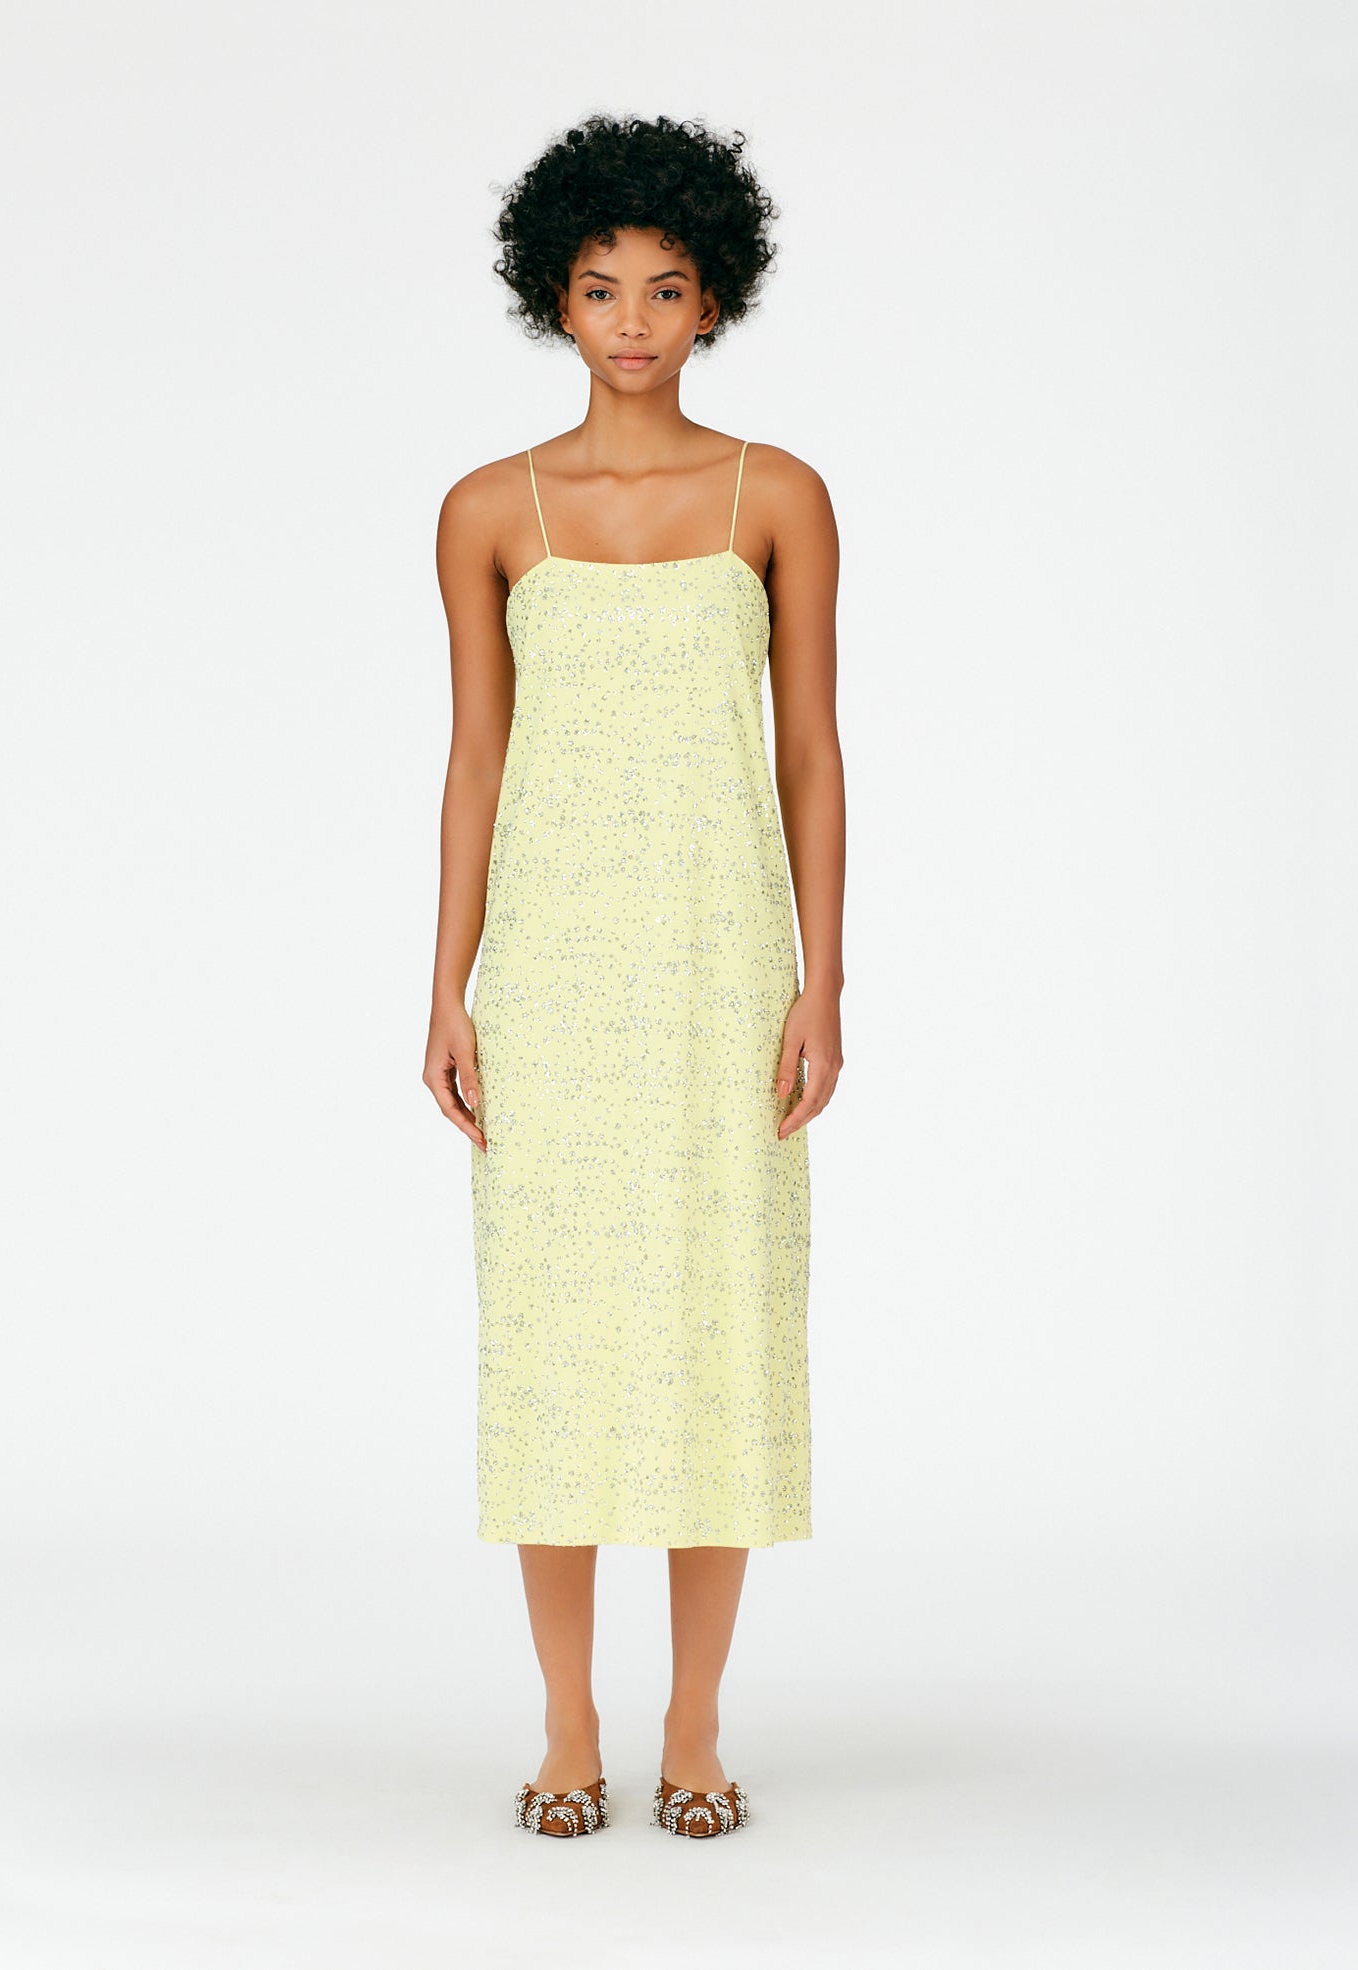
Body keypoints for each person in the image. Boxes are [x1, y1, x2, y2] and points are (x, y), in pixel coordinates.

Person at [425, 112, 845, 1839]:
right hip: (552, 972)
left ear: (715, 299)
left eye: (667, 288)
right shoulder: (488, 509)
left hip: (724, 966)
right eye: (601, 288)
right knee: (555, 1337)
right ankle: (565, 1723)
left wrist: (823, 979)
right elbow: (476, 757)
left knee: (717, 1329)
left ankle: (695, 1724)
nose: (633, 321)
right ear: (554, 296)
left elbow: (809, 748)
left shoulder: (777, 495)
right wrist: (446, 989)